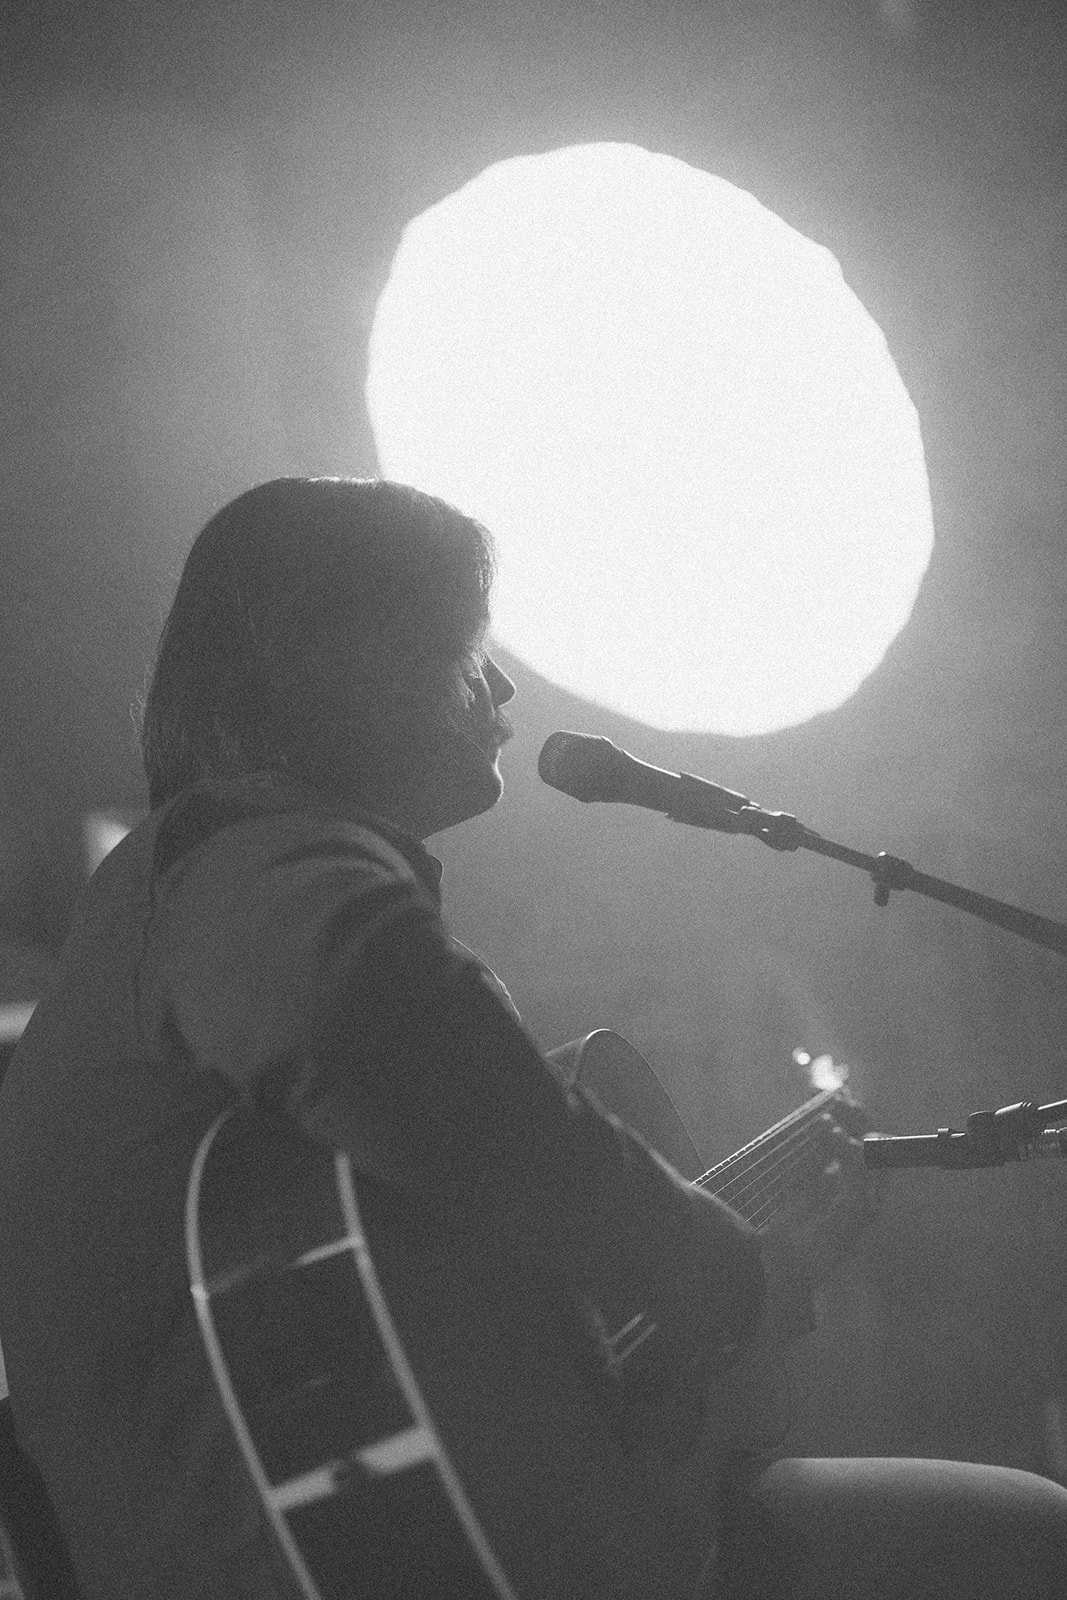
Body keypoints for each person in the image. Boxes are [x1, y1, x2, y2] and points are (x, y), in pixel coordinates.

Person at [0, 476, 1063, 1600]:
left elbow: (450, 1369)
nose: (501, 686)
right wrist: (715, 1269)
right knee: (1027, 1547)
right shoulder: (245, 860)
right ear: (340, 659)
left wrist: (738, 1294)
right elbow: (412, 1067)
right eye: (465, 647)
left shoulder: (172, 908)